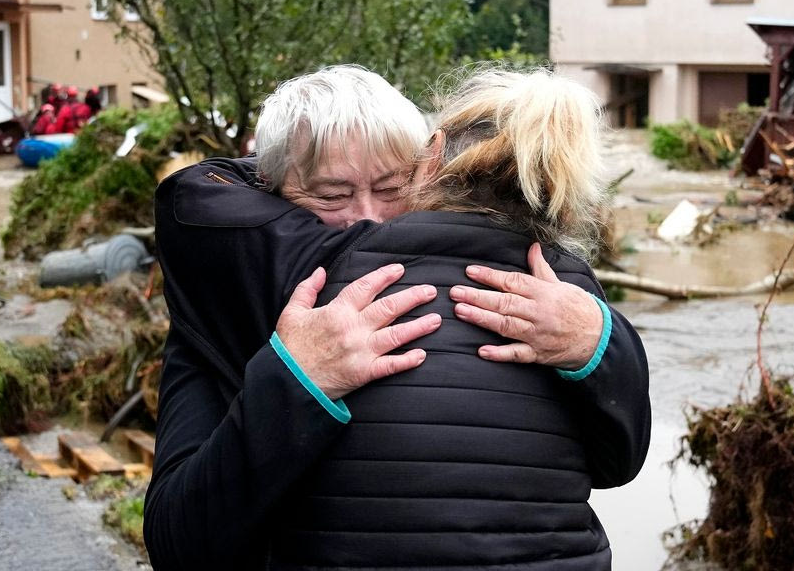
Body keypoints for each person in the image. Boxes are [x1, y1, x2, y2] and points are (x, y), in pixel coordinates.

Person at [145, 66, 649, 570]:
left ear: (428, 167)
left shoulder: (553, 299)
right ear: (267, 192)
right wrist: (297, 381)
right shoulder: (231, 293)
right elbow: (178, 543)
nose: (367, 217)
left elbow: (612, 463)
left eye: (391, 188)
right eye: (331, 195)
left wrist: (597, 341)